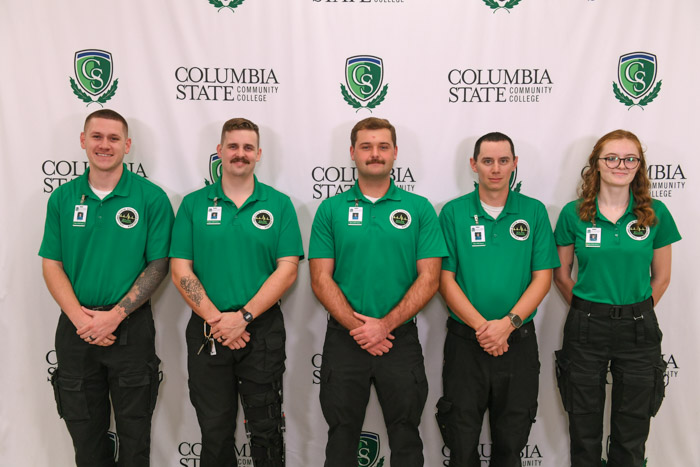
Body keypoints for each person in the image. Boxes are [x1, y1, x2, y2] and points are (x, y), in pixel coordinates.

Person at [309, 117, 447, 467]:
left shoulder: (419, 209)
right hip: (344, 339)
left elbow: (430, 278)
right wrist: (362, 328)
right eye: (367, 147)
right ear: (352, 152)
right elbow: (320, 278)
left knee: (406, 436)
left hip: (399, 340)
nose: (375, 154)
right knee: (341, 437)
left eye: (383, 146)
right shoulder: (330, 210)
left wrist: (384, 326)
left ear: (395, 153)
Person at [39, 109, 174, 466]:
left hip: (130, 329)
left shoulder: (151, 198)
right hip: (76, 328)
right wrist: (82, 320)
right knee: (85, 440)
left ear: (127, 146)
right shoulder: (62, 199)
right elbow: (51, 264)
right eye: (97, 136)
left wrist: (114, 316)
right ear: (83, 141)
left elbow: (159, 264)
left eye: (114, 138)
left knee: (135, 439)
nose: (104, 145)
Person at [170, 118, 303, 467]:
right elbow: (180, 269)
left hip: (261, 329)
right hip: (208, 329)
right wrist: (218, 320)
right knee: (214, 431)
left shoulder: (279, 204)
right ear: (220, 151)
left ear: (258, 154)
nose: (239, 154)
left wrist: (243, 318)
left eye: (247, 147)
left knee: (267, 430)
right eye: (233, 146)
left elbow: (288, 268)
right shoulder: (193, 204)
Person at [553, 130, 681, 467]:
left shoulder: (655, 213)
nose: (620, 165)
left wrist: (632, 312)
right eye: (611, 158)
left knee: (632, 432)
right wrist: (589, 307)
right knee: (584, 429)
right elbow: (562, 275)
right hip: (585, 328)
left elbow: (662, 277)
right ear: (596, 163)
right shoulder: (573, 213)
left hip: (639, 330)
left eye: (630, 159)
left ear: (639, 165)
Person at [435, 132, 559, 467]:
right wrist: (484, 329)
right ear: (473, 165)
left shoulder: (533, 212)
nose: (496, 168)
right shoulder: (453, 213)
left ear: (515, 164)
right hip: (466, 344)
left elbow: (543, 278)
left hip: (517, 343)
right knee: (461, 445)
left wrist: (507, 325)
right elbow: (444, 280)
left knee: (510, 445)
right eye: (487, 161)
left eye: (504, 160)